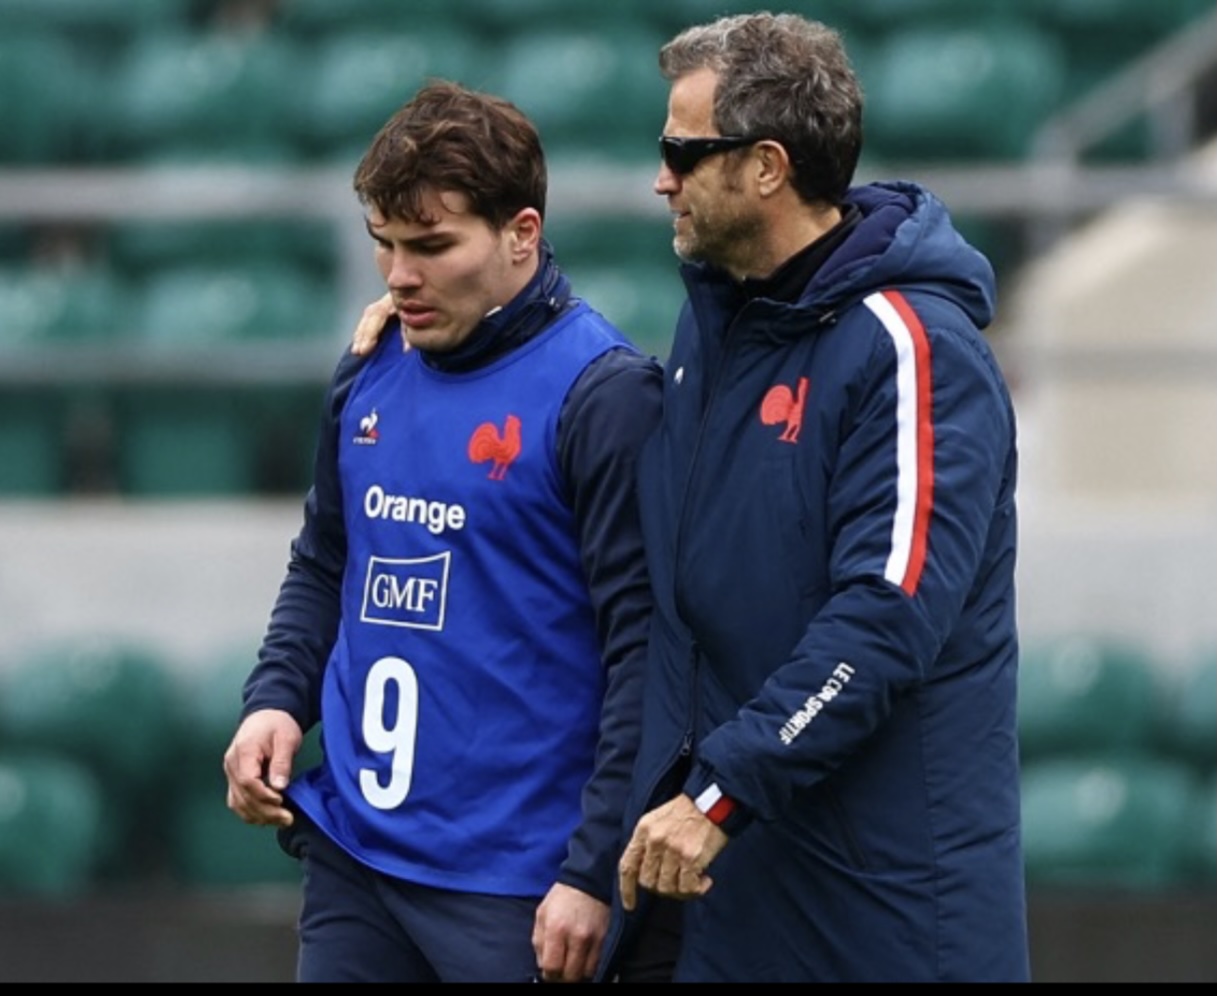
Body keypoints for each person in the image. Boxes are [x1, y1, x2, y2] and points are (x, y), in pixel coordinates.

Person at [351, 11, 1028, 983]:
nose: (660, 178)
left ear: (765, 166)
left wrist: (722, 793)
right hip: (722, 890)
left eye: (681, 150)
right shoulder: (716, 320)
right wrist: (441, 327)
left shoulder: (910, 347)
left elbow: (884, 619)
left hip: (878, 910)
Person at [222, 79, 670, 984]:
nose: (398, 275)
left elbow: (644, 652)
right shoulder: (371, 365)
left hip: (515, 885)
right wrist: (276, 698)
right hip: (356, 856)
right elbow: (326, 561)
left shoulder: (604, 395)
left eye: (431, 246)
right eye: (384, 243)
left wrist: (591, 869)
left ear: (521, 234)